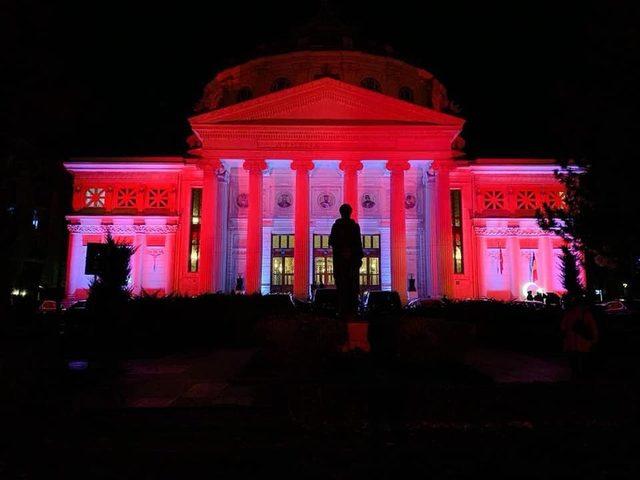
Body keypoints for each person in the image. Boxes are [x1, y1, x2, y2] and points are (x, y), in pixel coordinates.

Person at [329, 204, 363, 318]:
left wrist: (341, 250)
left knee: (342, 286)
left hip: (340, 261)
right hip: (352, 261)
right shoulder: (355, 226)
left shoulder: (336, 226)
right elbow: (358, 244)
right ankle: (352, 309)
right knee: (352, 286)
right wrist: (357, 257)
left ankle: (343, 309)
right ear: (350, 212)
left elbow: (332, 242)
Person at [560, 296, 599, 379]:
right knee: (584, 362)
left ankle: (576, 377)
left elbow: (563, 327)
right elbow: (593, 328)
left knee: (574, 364)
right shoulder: (586, 314)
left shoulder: (569, 313)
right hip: (584, 342)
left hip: (571, 343)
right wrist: (594, 339)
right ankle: (583, 379)